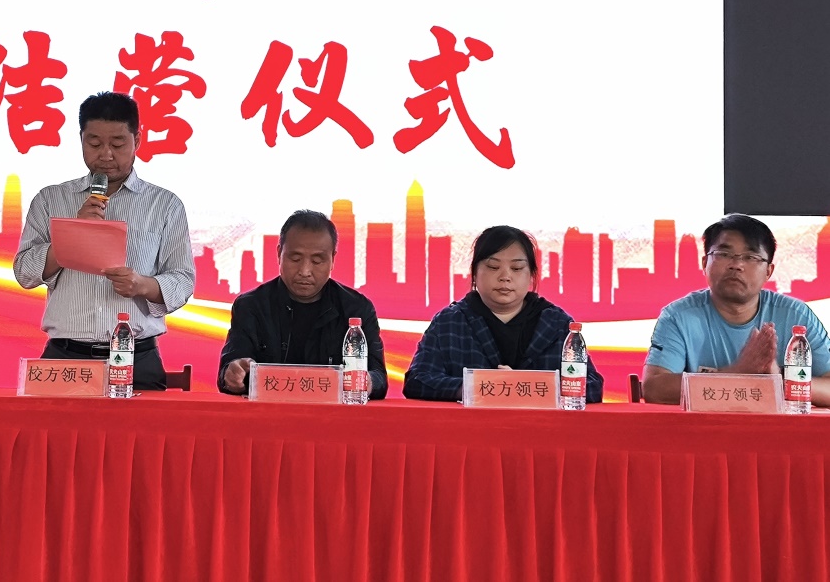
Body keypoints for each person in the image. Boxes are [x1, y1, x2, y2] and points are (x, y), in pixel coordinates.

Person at [14, 91, 195, 390]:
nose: (106, 155)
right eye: (95, 144)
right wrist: (73, 235)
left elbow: (183, 281)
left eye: (118, 144)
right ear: (81, 139)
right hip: (65, 357)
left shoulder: (164, 205)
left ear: (137, 140)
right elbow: (24, 273)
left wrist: (142, 285)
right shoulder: (50, 199)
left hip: (136, 358)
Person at [641, 213, 830, 406]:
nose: (736, 265)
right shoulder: (678, 316)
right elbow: (654, 388)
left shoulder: (796, 315)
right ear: (705, 263)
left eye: (750, 257)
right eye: (724, 254)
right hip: (704, 426)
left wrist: (779, 382)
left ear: (768, 271)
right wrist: (738, 372)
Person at [404, 225, 604, 402]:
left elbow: (592, 386)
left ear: (531, 275)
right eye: (493, 267)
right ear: (474, 273)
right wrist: (479, 387)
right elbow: (417, 380)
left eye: (516, 268)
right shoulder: (449, 322)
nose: (505, 276)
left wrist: (521, 385)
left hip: (541, 430)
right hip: (469, 429)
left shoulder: (556, 324)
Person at [218, 210, 388, 399]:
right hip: (268, 414)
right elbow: (230, 370)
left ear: (333, 259)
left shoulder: (357, 309)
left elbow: (378, 377)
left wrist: (367, 381)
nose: (305, 271)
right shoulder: (251, 306)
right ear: (279, 254)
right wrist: (233, 374)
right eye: (295, 259)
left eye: (317, 261)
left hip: (335, 415)